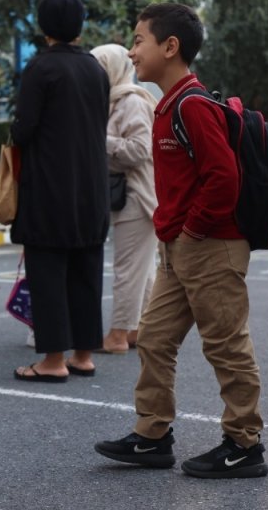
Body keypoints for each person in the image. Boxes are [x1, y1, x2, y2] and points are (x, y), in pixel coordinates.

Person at [94, 3, 267, 478]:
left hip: (210, 244)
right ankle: (152, 435)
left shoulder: (192, 104)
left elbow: (223, 179)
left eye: (138, 40)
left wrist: (190, 231)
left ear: (170, 47)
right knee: (153, 339)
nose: (132, 51)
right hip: (180, 245)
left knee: (226, 346)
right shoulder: (167, 103)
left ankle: (244, 445)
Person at [9, 0, 110, 381]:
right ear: (80, 26)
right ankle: (83, 354)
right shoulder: (95, 69)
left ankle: (52, 360)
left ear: (44, 26)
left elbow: (24, 129)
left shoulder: (41, 68)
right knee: (86, 269)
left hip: (50, 185)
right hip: (91, 185)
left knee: (48, 271)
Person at [91, 44, 159, 354]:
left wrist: (96, 140)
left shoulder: (130, 101)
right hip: (129, 195)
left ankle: (118, 335)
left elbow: (138, 149)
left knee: (128, 270)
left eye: (99, 67)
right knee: (142, 270)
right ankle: (137, 331)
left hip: (137, 195)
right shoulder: (112, 101)